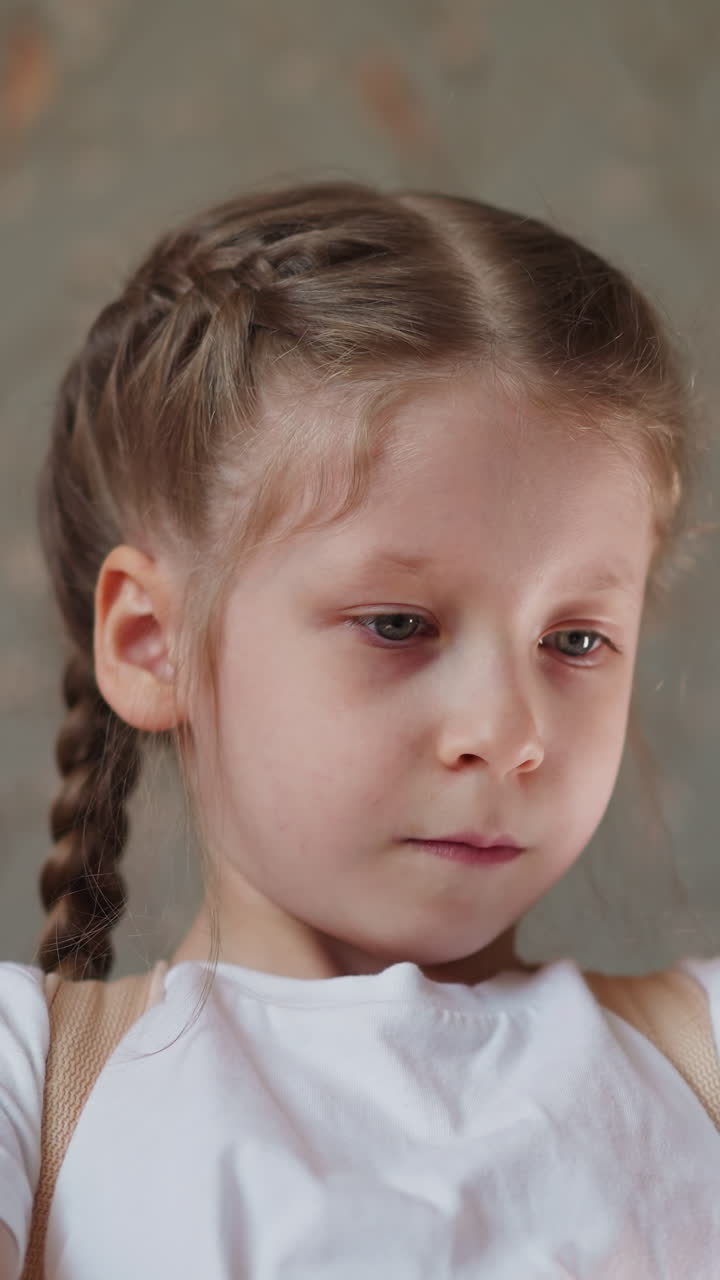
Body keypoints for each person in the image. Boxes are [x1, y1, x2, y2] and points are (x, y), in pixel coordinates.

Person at [0, 180, 718, 1278]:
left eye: (575, 640)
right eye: (397, 623)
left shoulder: (704, 1058)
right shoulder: (27, 1084)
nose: (508, 731)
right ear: (152, 641)